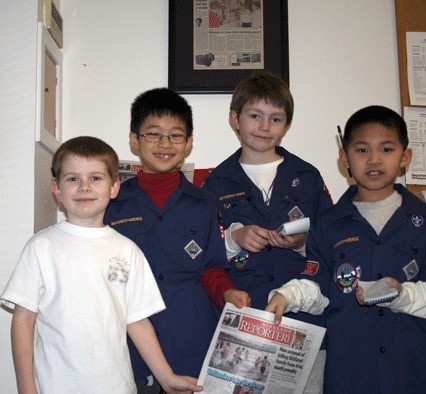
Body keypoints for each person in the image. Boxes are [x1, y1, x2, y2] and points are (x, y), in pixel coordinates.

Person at [266, 105, 426, 393]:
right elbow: (317, 288)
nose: (375, 160)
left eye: (387, 149)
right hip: (349, 373)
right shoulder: (328, 223)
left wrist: (400, 295)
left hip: (411, 371)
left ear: (405, 157)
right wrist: (286, 296)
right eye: (362, 150)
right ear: (344, 158)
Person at [0, 136, 202, 394]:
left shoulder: (128, 251)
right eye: (73, 179)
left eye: (95, 178)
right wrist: (26, 389)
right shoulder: (41, 247)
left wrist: (166, 376)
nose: (85, 187)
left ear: (114, 187)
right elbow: (23, 320)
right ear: (57, 189)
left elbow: (138, 322)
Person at [104, 88, 250, 391]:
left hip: (192, 333)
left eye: (176, 136)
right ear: (134, 141)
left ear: (189, 144)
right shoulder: (112, 203)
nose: (165, 144)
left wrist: (227, 294)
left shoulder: (205, 203)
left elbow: (212, 268)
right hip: (129, 337)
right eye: (153, 135)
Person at [202, 70, 332, 393]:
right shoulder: (215, 183)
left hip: (302, 326)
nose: (264, 127)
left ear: (286, 125)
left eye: (276, 119)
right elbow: (205, 259)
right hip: (245, 328)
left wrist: (302, 244)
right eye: (254, 116)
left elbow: (333, 248)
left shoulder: (309, 177)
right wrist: (235, 238)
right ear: (234, 119)